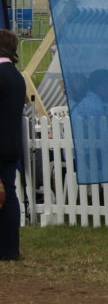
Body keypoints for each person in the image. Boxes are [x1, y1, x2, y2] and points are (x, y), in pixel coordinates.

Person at [0, 30, 25, 261]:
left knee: (5, 196)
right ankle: (9, 248)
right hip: (11, 143)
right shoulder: (16, 75)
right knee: (9, 193)